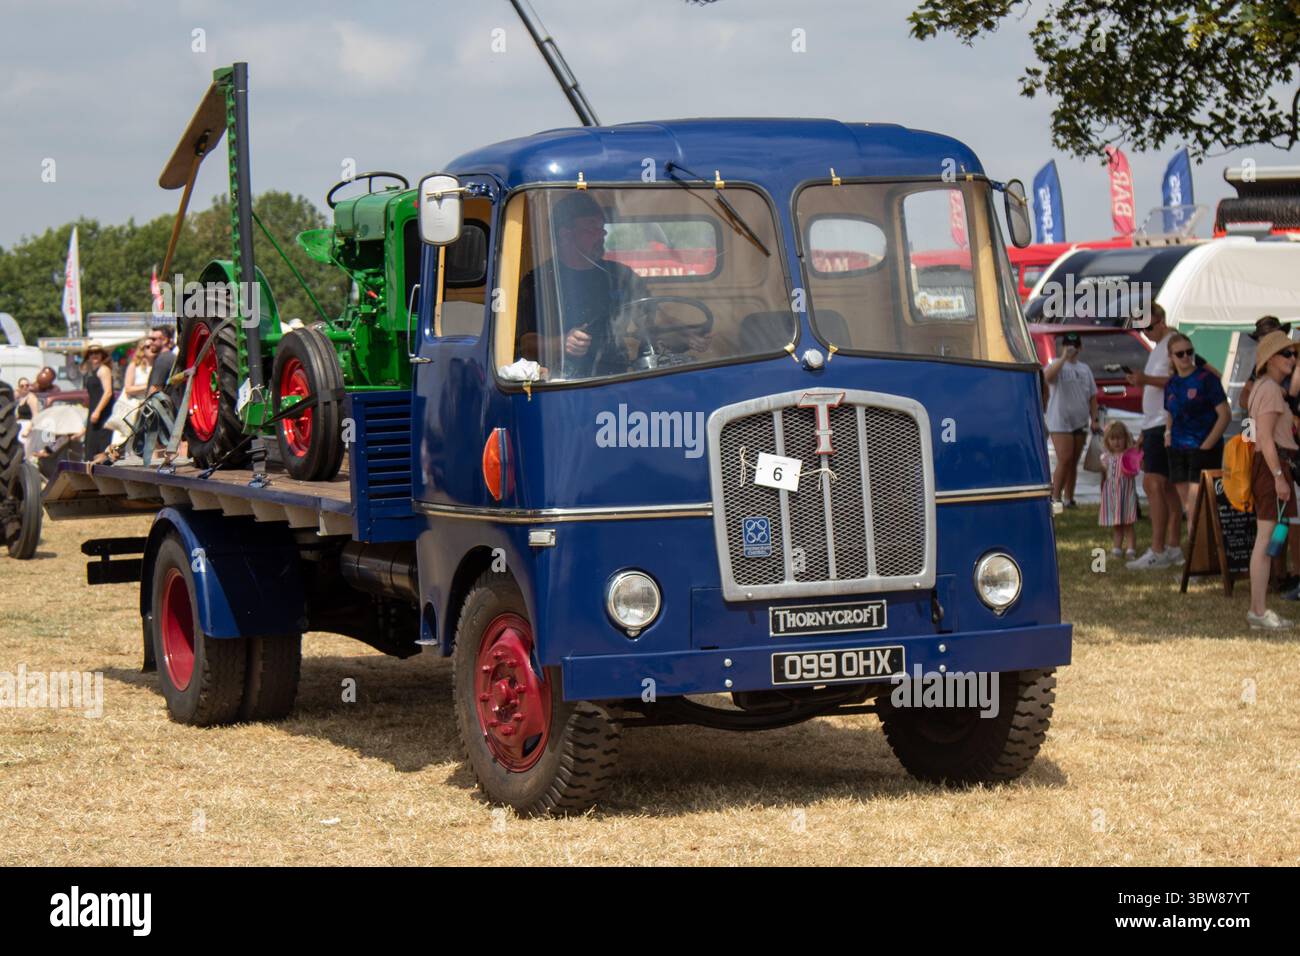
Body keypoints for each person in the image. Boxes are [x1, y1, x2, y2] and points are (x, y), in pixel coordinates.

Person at [515, 192, 648, 379]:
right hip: (567, 382)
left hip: (621, 376)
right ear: (565, 235)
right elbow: (525, 343)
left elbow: (651, 319)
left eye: (601, 227)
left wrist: (684, 335)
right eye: (591, 228)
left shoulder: (621, 275)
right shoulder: (537, 281)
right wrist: (561, 343)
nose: (602, 234)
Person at [1125, 303, 1197, 569]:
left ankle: (1159, 549)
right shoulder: (1158, 348)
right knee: (1167, 488)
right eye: (1141, 328)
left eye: (1148, 326)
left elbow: (1180, 379)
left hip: (1164, 423)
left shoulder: (1172, 345)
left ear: (1161, 321)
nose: (1145, 332)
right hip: (1155, 424)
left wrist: (1145, 380)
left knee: (1154, 484)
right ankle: (1172, 547)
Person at [1246, 330, 1299, 629]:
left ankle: (1260, 609)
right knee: (1265, 542)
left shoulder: (1266, 387)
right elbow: (1264, 438)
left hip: (1273, 466)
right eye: (1287, 354)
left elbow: (1256, 435)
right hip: (1272, 467)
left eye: (1294, 353)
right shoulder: (1268, 390)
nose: (1293, 358)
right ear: (1271, 359)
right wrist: (1279, 476)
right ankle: (1258, 610)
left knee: (1270, 539)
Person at [1163, 332, 1230, 519]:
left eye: (1189, 352)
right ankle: (1196, 546)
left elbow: (1225, 415)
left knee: (1198, 504)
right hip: (1177, 447)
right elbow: (1170, 410)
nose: (1186, 357)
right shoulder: (1171, 384)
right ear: (1171, 357)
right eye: (1180, 354)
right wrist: (1167, 434)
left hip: (1203, 446)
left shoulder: (1207, 379)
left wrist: (1206, 446)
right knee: (1188, 506)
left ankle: (1201, 547)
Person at [1043, 331, 1099, 507]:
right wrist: (1063, 358)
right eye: (1068, 345)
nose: (1072, 348)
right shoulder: (1056, 365)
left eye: (1074, 345)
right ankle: (1055, 497)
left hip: (1080, 421)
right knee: (1064, 458)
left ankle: (1069, 498)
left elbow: (1092, 396)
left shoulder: (1085, 369)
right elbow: (1047, 377)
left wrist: (1094, 418)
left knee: (1073, 461)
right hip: (1059, 421)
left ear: (1080, 347)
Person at [1098, 421, 1138, 558]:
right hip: (1112, 492)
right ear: (1107, 441)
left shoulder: (1129, 456)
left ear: (1125, 439)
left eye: (1119, 438)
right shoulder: (1106, 458)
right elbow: (1104, 474)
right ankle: (1117, 548)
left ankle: (1131, 548)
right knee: (1116, 523)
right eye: (1113, 438)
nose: (1116, 442)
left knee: (1128, 522)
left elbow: (1134, 471)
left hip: (1125, 493)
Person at [108, 338, 155, 449]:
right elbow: (128, 388)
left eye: (152, 346)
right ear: (141, 349)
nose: (150, 349)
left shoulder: (157, 365)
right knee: (126, 440)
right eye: (147, 347)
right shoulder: (134, 366)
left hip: (150, 407)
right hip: (133, 407)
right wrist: (148, 386)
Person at [81, 343, 116, 462]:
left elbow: (108, 393)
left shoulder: (103, 369)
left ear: (102, 354)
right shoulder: (93, 371)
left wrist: (97, 411)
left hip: (103, 415)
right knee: (91, 448)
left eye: (97, 352)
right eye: (91, 353)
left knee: (100, 449)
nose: (94, 355)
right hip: (94, 413)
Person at [147, 324, 178, 395]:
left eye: (153, 339)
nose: (150, 342)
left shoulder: (163, 359)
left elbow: (155, 389)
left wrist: (146, 404)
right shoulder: (170, 357)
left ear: (164, 340)